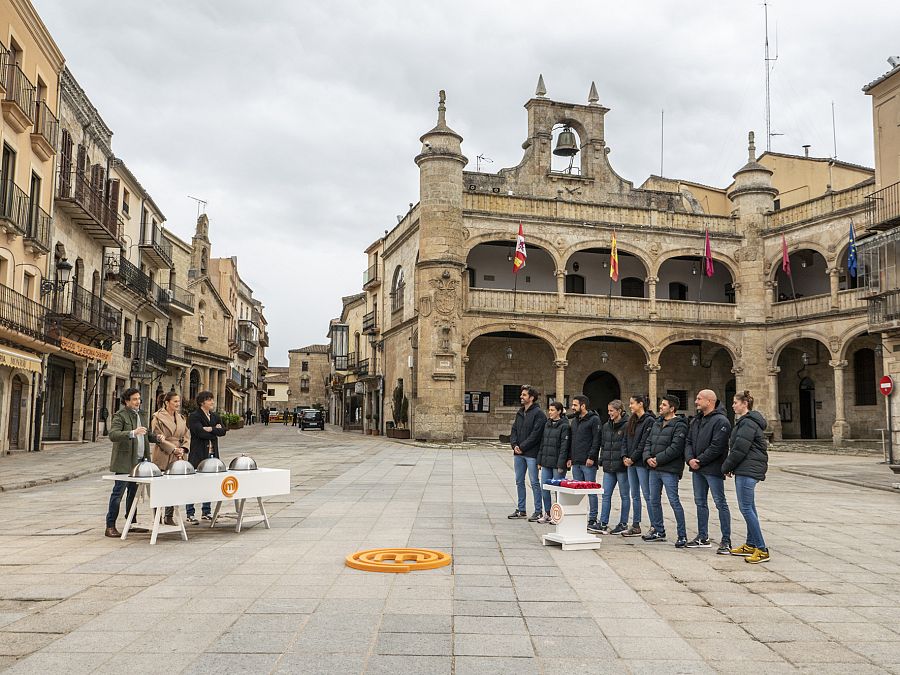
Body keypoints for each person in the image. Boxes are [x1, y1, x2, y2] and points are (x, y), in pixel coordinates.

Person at [105, 388, 163, 538]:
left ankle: (131, 523)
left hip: (140, 461)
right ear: (126, 401)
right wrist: (132, 433)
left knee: (133, 494)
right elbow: (113, 435)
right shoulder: (120, 416)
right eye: (134, 399)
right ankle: (110, 525)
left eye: (139, 399)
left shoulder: (142, 415)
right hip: (125, 461)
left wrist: (156, 438)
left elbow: (146, 434)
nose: (138, 402)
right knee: (118, 493)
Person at [723, 390, 770, 564]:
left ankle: (762, 549)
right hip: (746, 468)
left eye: (735, 402)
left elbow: (740, 449)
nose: (733, 405)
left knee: (746, 508)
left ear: (745, 404)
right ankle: (750, 544)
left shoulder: (747, 424)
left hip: (748, 469)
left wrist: (727, 466)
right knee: (750, 507)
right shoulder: (745, 422)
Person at [684, 389, 732, 553]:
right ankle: (702, 537)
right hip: (697, 469)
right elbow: (688, 441)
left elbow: (717, 446)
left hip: (712, 468)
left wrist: (700, 460)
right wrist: (690, 459)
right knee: (700, 502)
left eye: (699, 398)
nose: (696, 401)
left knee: (720, 503)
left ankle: (726, 540)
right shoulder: (696, 420)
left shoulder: (721, 421)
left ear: (709, 401)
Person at [642, 394, 688, 547]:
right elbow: (648, 442)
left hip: (669, 469)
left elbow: (675, 448)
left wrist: (658, 459)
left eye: (663, 405)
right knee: (653, 500)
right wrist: (648, 457)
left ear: (672, 408)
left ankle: (682, 535)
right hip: (653, 469)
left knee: (674, 501)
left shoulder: (679, 425)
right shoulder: (657, 423)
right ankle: (658, 530)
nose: (660, 407)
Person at [151, 391, 191, 526]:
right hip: (164, 453)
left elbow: (186, 435)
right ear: (167, 402)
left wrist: (183, 449)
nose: (177, 404)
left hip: (178, 454)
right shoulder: (157, 417)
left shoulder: (181, 417)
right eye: (175, 401)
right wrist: (173, 449)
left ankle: (169, 515)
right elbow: (157, 436)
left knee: (174, 486)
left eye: (178, 401)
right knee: (159, 486)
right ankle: (157, 515)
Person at [187, 391, 227, 523]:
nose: (212, 402)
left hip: (212, 454)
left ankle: (206, 511)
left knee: (209, 483)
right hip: (198, 453)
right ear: (202, 402)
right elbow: (199, 432)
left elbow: (223, 431)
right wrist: (214, 429)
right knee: (194, 483)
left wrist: (210, 429)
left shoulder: (215, 416)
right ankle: (190, 513)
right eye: (210, 400)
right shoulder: (194, 416)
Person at [508, 385, 547, 521]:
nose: (521, 397)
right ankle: (521, 509)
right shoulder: (520, 412)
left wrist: (522, 447)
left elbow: (536, 434)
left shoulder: (539, 414)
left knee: (534, 482)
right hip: (518, 453)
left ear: (531, 398)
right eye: (522, 394)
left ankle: (538, 511)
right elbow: (514, 430)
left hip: (531, 453)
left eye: (524, 395)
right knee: (519, 481)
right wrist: (514, 445)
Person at [592, 400, 630, 535]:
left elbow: (627, 445)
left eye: (612, 411)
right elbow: (604, 444)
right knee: (606, 494)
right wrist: (602, 459)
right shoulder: (606, 426)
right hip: (608, 466)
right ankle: (603, 523)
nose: (609, 413)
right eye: (608, 411)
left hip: (621, 467)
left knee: (624, 495)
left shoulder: (627, 425)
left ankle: (623, 523)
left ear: (619, 411)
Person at [622, 395, 655, 537]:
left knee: (647, 494)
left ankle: (655, 524)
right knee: (634, 494)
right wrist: (624, 456)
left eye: (632, 403)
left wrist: (633, 458)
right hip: (630, 463)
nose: (630, 406)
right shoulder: (632, 420)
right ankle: (636, 524)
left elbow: (644, 442)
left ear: (641, 404)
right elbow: (624, 439)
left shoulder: (649, 421)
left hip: (640, 462)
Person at [568, 395, 601, 529]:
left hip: (588, 462)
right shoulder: (575, 421)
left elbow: (596, 440)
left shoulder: (594, 420)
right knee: (578, 491)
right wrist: (569, 457)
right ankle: (579, 516)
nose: (572, 407)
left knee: (591, 491)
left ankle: (592, 518)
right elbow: (571, 440)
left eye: (575, 405)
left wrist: (592, 457)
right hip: (576, 461)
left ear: (583, 406)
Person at [536, 401, 570, 523]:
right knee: (544, 488)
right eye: (549, 410)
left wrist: (561, 464)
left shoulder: (564, 426)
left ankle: (558, 515)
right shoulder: (547, 424)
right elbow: (542, 443)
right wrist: (539, 460)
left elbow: (564, 446)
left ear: (559, 411)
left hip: (557, 463)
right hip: (546, 461)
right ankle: (548, 513)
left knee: (557, 490)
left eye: (552, 410)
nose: (550, 412)